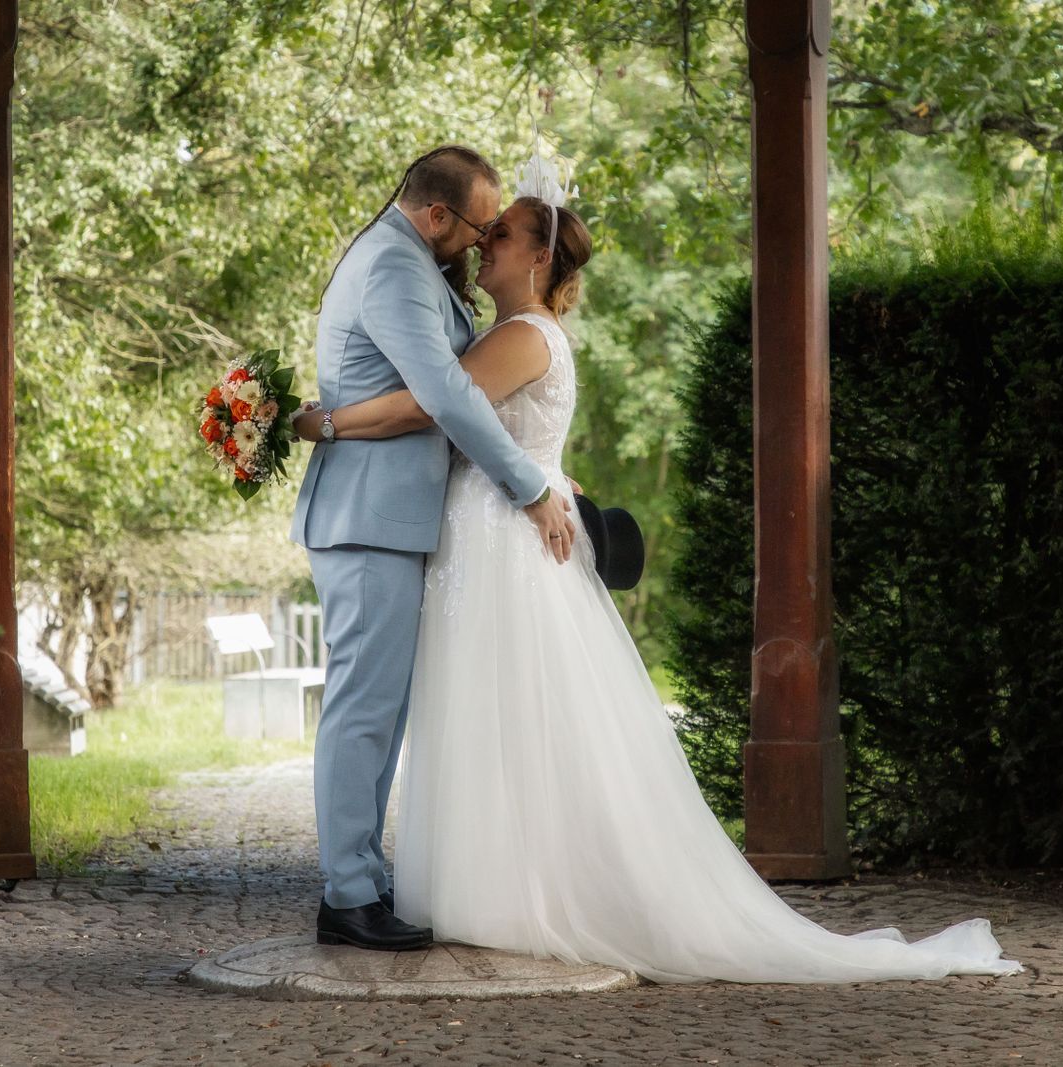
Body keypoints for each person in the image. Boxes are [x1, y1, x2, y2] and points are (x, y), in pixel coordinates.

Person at [294, 191, 1023, 983]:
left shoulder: (520, 336)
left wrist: (326, 422)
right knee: (497, 708)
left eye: (500, 235)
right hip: (493, 532)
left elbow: (433, 404)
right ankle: (485, 883)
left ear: (538, 258)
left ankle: (512, 891)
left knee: (506, 706)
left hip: (503, 536)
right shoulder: (522, 332)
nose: (483, 245)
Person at [289, 145, 576, 952]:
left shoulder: (410, 262)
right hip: (368, 516)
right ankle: (348, 894)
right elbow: (443, 392)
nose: (481, 244)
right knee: (364, 708)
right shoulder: (395, 266)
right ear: (439, 215)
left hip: (390, 517)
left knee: (381, 709)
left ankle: (361, 878)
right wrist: (529, 485)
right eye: (479, 228)